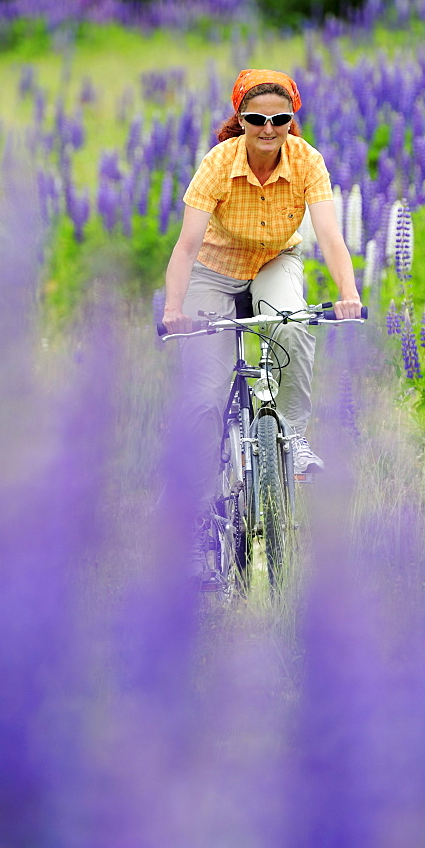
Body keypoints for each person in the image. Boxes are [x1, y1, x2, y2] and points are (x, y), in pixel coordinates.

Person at [163, 69, 361, 566]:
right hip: (215, 269)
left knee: (292, 323)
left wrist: (348, 293)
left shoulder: (307, 160)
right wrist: (173, 309)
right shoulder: (218, 164)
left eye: (279, 118)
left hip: (275, 260)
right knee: (206, 398)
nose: (268, 128)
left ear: (292, 120)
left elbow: (331, 238)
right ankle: (197, 518)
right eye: (256, 118)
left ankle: (291, 438)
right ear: (241, 119)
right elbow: (186, 248)